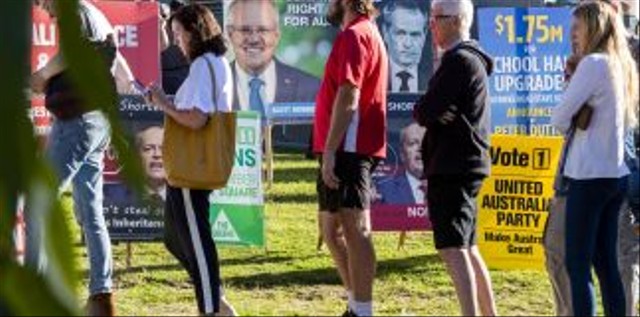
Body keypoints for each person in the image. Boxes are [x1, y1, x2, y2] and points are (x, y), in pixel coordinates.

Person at [545, 1, 640, 315]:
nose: (572, 34)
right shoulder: (620, 62)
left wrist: (572, 84)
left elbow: (558, 119)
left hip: (588, 177)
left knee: (577, 265)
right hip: (616, 175)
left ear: (592, 27)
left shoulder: (593, 63)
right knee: (606, 264)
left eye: (577, 27)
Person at [142, 4, 237, 316]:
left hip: (190, 170)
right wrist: (168, 102)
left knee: (197, 241)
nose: (177, 41)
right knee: (174, 237)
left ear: (195, 32)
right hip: (189, 168)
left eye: (179, 34)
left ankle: (211, 307)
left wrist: (162, 104)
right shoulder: (217, 62)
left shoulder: (201, 66)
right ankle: (212, 295)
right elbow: (198, 111)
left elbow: (196, 120)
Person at [28, 0, 118, 315]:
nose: (45, 11)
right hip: (94, 119)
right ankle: (101, 295)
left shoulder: (76, 13)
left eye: (42, 2)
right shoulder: (95, 15)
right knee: (91, 213)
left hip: (77, 120)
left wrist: (42, 74)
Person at [413, 0, 497, 315]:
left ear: (458, 20)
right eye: (431, 17)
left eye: (438, 17)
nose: (431, 23)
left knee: (453, 248)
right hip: (461, 164)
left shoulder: (459, 61)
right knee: (468, 247)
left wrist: (431, 110)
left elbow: (425, 110)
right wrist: (431, 109)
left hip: (454, 165)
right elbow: (429, 110)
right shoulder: (465, 60)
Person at [313, 0, 388, 315]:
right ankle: (356, 304)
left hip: (350, 147)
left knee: (356, 229)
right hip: (341, 146)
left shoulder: (356, 34)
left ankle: (363, 309)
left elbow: (349, 93)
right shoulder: (358, 32)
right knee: (330, 230)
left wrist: (331, 150)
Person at [225, 0, 321, 114]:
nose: (254, 39)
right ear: (230, 34)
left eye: (263, 30)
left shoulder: (311, 88)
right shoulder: (212, 88)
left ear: (276, 36)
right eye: (245, 30)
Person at [379, 0, 430, 93]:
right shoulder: (374, 76)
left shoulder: (434, 77)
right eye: (400, 33)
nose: (408, 44)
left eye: (415, 35)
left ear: (424, 35)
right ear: (385, 32)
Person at [376, 122, 427, 204]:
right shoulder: (383, 190)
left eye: (426, 142)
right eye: (413, 143)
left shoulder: (450, 187)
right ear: (402, 154)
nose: (420, 148)